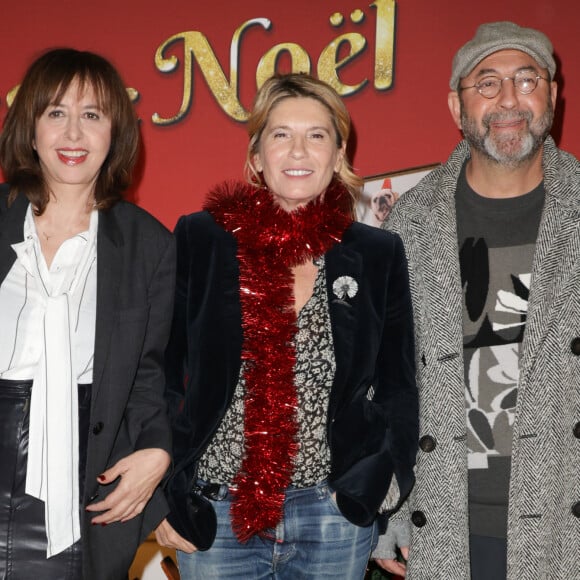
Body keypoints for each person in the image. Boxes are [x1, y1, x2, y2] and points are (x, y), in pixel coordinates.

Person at [155, 72, 419, 579]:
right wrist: (165, 492)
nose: (298, 150)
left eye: (316, 135)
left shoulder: (376, 252)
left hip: (333, 516)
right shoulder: (201, 239)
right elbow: (164, 373)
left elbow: (398, 385)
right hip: (217, 515)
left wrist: (380, 484)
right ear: (256, 157)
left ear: (338, 155)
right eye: (281, 134)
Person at [373, 21, 580, 580]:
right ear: (455, 106)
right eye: (486, 83)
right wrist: (387, 508)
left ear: (553, 96)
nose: (509, 99)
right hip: (443, 526)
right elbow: (382, 380)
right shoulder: (405, 225)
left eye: (526, 79)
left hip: (567, 521)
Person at [0, 48, 176, 579]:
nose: (73, 133)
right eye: (56, 113)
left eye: (92, 115)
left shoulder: (149, 245)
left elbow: (151, 376)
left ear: (114, 134)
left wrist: (159, 452)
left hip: (78, 482)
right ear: (30, 130)